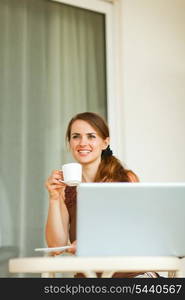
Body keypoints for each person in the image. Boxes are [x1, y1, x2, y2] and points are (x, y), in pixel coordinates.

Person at [45, 112, 158, 278]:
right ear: (69, 143)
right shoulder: (65, 189)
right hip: (89, 278)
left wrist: (91, 244)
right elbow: (56, 246)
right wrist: (54, 198)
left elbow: (137, 234)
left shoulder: (125, 179)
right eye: (76, 136)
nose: (83, 143)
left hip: (132, 276)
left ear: (105, 142)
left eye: (91, 136)